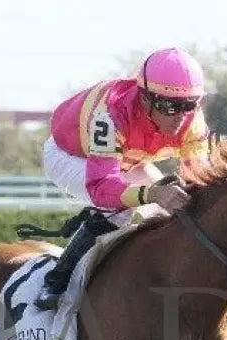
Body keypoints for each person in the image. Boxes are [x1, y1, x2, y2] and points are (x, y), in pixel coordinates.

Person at [33, 47, 211, 310]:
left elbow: (200, 180)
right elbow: (101, 186)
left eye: (189, 105)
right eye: (170, 106)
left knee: (169, 209)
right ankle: (57, 280)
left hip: (128, 159)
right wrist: (151, 193)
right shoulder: (110, 114)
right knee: (121, 209)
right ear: (146, 98)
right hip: (69, 155)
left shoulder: (192, 123)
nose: (180, 117)